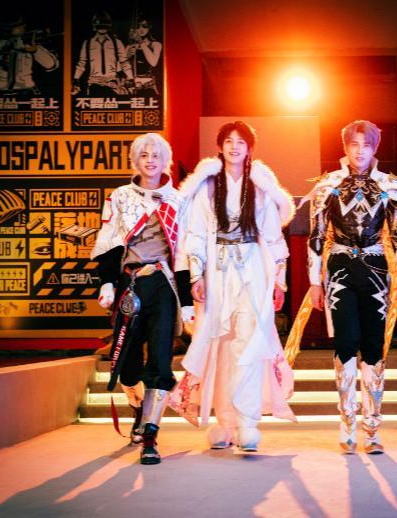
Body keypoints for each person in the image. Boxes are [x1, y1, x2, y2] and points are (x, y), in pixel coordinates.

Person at [290, 120, 397, 454]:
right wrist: (315, 282)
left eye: (367, 145)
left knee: (374, 345)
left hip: (376, 269)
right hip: (340, 268)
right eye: (354, 145)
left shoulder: (389, 186)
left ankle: (372, 428)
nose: (360, 152)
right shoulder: (328, 185)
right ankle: (347, 423)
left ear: (375, 148)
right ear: (345, 147)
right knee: (346, 343)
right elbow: (316, 236)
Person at [168, 121, 296, 452]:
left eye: (241, 141)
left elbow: (273, 237)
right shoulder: (208, 186)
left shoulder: (260, 185)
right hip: (218, 271)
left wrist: (279, 281)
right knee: (220, 346)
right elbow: (196, 234)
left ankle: (247, 422)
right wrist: (196, 276)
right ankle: (225, 422)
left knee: (249, 344)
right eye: (229, 141)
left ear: (250, 148)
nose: (234, 146)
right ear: (220, 146)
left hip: (253, 269)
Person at [91, 132, 193, 465]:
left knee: (160, 359)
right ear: (135, 160)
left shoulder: (179, 200)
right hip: (129, 284)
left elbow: (183, 254)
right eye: (144, 155)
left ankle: (151, 433)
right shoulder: (119, 197)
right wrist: (107, 283)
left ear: (166, 161)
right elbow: (108, 241)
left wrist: (187, 302)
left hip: (163, 285)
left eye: (157, 155)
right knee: (128, 364)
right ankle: (137, 408)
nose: (151, 161)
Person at [0, 13, 59, 96]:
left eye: (21, 26)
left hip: (29, 92)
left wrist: (35, 51)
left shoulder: (29, 43)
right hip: (2, 95)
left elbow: (52, 65)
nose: (23, 28)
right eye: (18, 27)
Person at [72, 11, 133, 96]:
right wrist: (76, 79)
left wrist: (131, 78)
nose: (102, 28)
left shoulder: (117, 43)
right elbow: (82, 63)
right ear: (95, 26)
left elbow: (124, 62)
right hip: (94, 82)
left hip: (112, 81)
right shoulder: (87, 43)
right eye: (100, 24)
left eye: (104, 24)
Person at [126, 14, 161, 95]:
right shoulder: (130, 46)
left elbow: (153, 62)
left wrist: (141, 42)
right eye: (138, 26)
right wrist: (127, 56)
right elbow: (121, 67)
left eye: (144, 26)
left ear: (149, 27)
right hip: (132, 85)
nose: (141, 29)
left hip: (148, 85)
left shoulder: (155, 44)